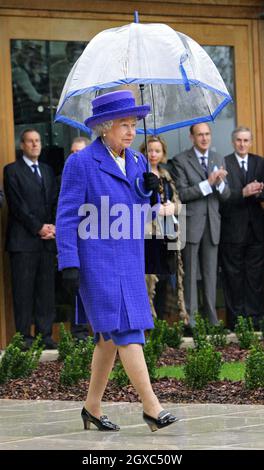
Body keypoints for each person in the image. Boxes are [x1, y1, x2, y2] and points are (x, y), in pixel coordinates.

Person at [56, 90, 178, 432]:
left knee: (109, 337)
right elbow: (66, 216)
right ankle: (152, 407)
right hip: (94, 262)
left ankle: (91, 408)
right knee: (126, 328)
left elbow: (141, 212)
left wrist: (149, 191)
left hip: (128, 258)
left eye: (133, 124)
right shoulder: (80, 163)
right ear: (105, 127)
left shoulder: (138, 162)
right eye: (124, 124)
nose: (130, 131)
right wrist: (68, 262)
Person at [168, 123, 230, 330]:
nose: (204, 138)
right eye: (200, 135)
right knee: (191, 274)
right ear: (191, 137)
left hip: (212, 224)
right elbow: (182, 194)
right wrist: (208, 183)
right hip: (191, 223)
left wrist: (219, 183)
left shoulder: (217, 158)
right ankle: (190, 321)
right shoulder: (180, 160)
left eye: (207, 134)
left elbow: (226, 195)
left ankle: (212, 320)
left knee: (211, 274)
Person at [4, 129, 58, 350]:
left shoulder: (47, 170)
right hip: (23, 242)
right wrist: (38, 227)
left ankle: (45, 336)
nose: (35, 145)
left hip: (47, 241)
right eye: (30, 141)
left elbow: (54, 200)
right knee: (23, 292)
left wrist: (53, 226)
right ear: (22, 145)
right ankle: (24, 338)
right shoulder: (11, 171)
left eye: (38, 141)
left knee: (46, 291)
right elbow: (17, 206)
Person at [219, 126, 264, 331]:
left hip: (256, 231)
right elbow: (222, 197)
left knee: (254, 277)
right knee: (233, 277)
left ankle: (255, 320)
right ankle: (236, 322)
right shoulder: (224, 163)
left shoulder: (259, 162)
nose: (242, 144)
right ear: (233, 142)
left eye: (246, 140)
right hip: (232, 231)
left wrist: (258, 192)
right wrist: (243, 192)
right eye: (239, 140)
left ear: (251, 142)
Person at [140, 135, 188, 323]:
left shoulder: (167, 175)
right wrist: (154, 209)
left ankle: (161, 319)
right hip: (148, 232)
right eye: (150, 150)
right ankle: (149, 320)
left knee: (166, 276)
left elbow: (178, 203)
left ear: (163, 154)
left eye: (157, 151)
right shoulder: (140, 175)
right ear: (144, 152)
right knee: (149, 278)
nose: (153, 154)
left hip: (168, 230)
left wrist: (171, 208)